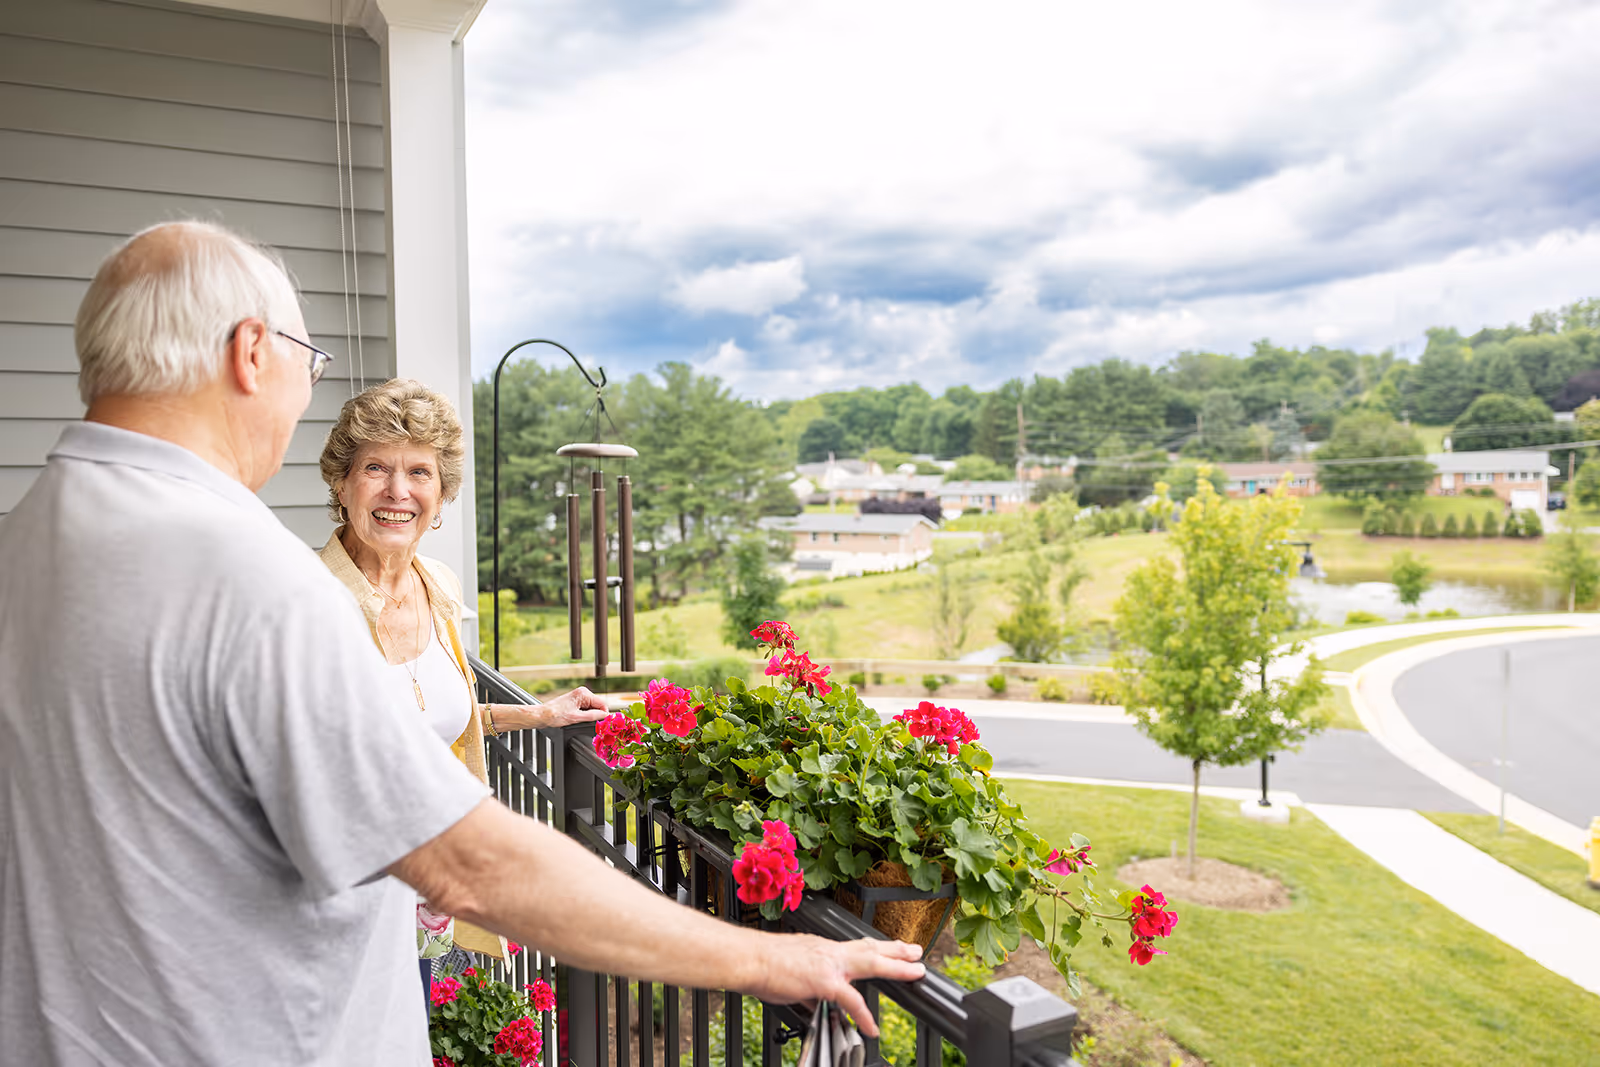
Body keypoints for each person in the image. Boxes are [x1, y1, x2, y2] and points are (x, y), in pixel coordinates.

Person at [0, 221, 923, 1067]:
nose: (301, 391)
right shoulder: (256, 582)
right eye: (305, 361)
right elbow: (472, 865)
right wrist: (772, 957)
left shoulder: (26, 538)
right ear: (251, 352)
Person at [314, 377, 608, 988]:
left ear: (441, 495)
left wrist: (537, 716)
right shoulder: (308, 607)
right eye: (376, 468)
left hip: (428, 900)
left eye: (419, 472)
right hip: (345, 909)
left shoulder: (435, 585)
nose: (399, 492)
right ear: (342, 485)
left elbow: (421, 718)